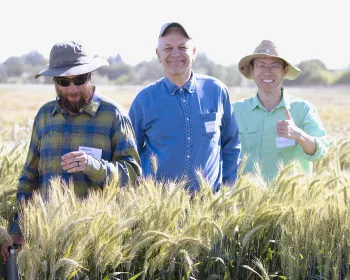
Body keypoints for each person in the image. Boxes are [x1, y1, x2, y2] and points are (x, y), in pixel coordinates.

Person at [1, 40, 142, 261]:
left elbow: (133, 175)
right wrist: (18, 226)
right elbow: (29, 178)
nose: (73, 89)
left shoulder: (113, 114)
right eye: (63, 82)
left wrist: (93, 166)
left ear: (91, 75)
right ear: (54, 82)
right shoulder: (44, 116)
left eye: (79, 79)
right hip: (47, 239)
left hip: (98, 242)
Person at [129, 22, 241, 193]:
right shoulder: (144, 100)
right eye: (168, 48)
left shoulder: (217, 91)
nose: (175, 53)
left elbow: (231, 145)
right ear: (158, 55)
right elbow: (130, 154)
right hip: (159, 211)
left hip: (209, 210)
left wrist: (228, 189)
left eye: (182, 47)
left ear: (194, 52)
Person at [232, 40, 328, 181]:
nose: (267, 72)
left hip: (291, 199)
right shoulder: (236, 111)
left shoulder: (304, 109)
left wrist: (298, 134)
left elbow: (320, 152)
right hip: (247, 199)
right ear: (252, 70)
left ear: (285, 71)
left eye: (274, 66)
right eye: (261, 66)